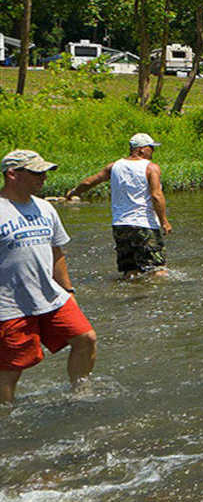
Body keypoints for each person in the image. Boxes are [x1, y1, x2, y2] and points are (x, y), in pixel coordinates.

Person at [0, 150, 96, 404]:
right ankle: (6, 414)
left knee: (86, 338)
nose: (43, 177)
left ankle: (80, 395)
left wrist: (69, 291)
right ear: (12, 174)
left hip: (51, 295)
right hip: (9, 304)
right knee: (10, 368)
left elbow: (56, 253)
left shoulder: (45, 207)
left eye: (44, 172)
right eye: (36, 173)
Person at [62, 133, 171, 279]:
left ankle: (131, 293)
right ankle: (158, 293)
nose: (153, 151)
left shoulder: (114, 166)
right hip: (144, 224)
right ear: (141, 149)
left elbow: (89, 182)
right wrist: (164, 221)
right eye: (151, 148)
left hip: (120, 226)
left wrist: (73, 192)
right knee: (158, 270)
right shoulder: (151, 168)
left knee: (131, 271)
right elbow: (156, 195)